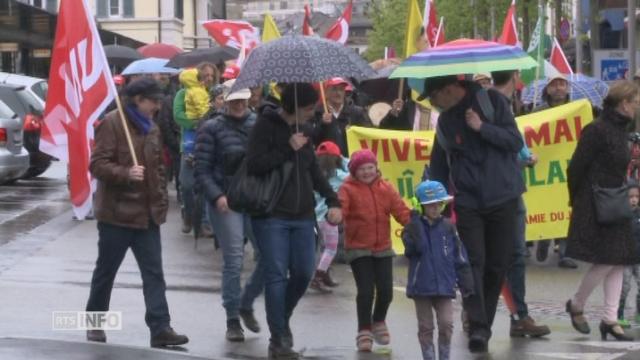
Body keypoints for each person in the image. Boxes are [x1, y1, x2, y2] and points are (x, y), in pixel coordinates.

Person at [419, 75, 524, 353]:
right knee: (472, 262)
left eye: (433, 97)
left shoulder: (492, 103)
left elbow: (514, 141)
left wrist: (482, 127)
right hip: (468, 201)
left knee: (496, 264)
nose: (433, 104)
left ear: (450, 89)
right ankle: (478, 326)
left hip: (503, 195)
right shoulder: (444, 122)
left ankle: (483, 325)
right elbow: (439, 164)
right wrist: (435, 205)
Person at [86, 78, 189, 347]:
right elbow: (96, 164)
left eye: (158, 101)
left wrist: (161, 204)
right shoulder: (112, 123)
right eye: (153, 101)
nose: (157, 106)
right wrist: (125, 173)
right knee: (106, 272)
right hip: (116, 216)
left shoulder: (152, 128)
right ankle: (95, 324)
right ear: (137, 99)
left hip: (147, 216)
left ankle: (160, 328)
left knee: (154, 274)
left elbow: (157, 170)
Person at [245, 82, 342, 359]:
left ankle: (281, 318)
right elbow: (254, 164)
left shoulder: (305, 130)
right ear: (294, 106)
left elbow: (313, 170)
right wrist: (287, 148)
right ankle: (278, 339)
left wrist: (333, 199)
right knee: (276, 274)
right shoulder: (265, 125)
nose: (312, 113)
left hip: (303, 215)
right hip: (272, 214)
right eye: (309, 108)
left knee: (302, 272)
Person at [565, 80, 640, 341]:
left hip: (615, 203)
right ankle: (576, 303)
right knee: (607, 259)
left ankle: (609, 319)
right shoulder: (596, 130)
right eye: (635, 102)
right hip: (595, 203)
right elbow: (575, 167)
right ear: (623, 103)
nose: (638, 106)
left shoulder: (621, 131)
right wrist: (577, 200)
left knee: (620, 259)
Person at [194, 79, 264, 342]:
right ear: (225, 100)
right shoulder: (211, 127)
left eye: (242, 99)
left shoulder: (258, 123)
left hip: (255, 199)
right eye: (234, 100)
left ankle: (246, 302)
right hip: (227, 201)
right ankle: (232, 318)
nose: (238, 104)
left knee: (270, 256)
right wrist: (217, 196)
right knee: (234, 259)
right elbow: (202, 169)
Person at [491, 70, 551, 338]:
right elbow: (496, 153)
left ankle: (519, 316)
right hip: (497, 194)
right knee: (497, 258)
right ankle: (481, 316)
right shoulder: (493, 106)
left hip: (511, 190)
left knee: (514, 256)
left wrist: (522, 157)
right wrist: (520, 160)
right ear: (514, 77)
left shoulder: (503, 106)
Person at [338, 149, 411, 352]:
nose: (367, 172)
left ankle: (378, 320)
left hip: (383, 247)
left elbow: (400, 210)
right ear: (354, 171)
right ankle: (364, 330)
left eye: (370, 167)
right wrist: (335, 214)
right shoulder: (347, 189)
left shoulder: (385, 188)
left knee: (386, 291)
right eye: (362, 169)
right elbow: (341, 207)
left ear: (376, 168)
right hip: (358, 248)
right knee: (366, 291)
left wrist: (413, 223)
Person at [403, 180, 474, 360]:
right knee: (426, 327)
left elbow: (459, 256)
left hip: (445, 284)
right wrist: (416, 223)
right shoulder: (412, 227)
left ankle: (444, 356)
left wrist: (466, 282)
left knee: (446, 324)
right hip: (421, 286)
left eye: (439, 204)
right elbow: (413, 249)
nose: (436, 208)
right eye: (430, 205)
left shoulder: (448, 227)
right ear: (420, 205)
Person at [530, 74, 578, 269]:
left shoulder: (575, 110)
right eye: (555, 84)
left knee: (567, 207)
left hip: (569, 167)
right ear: (547, 89)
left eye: (562, 84)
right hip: (545, 167)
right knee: (547, 203)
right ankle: (543, 240)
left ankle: (565, 253)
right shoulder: (537, 111)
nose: (559, 88)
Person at [173, 62, 218, 236]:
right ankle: (189, 214)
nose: (208, 78)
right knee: (186, 184)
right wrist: (198, 123)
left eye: (211, 75)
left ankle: (205, 222)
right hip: (189, 145)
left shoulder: (213, 94)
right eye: (205, 75)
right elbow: (178, 117)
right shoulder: (182, 94)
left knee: (207, 184)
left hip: (209, 146)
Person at [309, 141, 349, 293]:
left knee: (322, 248)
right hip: (329, 217)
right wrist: (343, 158)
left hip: (315, 217)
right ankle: (318, 277)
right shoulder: (340, 176)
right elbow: (353, 169)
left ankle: (325, 275)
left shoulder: (315, 176)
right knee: (331, 249)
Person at [312, 77, 372, 156]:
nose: (338, 93)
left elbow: (367, 135)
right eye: (334, 89)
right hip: (327, 161)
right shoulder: (316, 113)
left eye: (341, 89)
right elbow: (312, 139)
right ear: (326, 92)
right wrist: (322, 124)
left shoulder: (357, 112)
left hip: (351, 159)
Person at [617, 182, 640, 327]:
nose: (634, 199)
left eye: (637, 196)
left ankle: (639, 312)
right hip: (625, 258)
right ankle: (619, 314)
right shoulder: (620, 215)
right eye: (630, 196)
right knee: (624, 287)